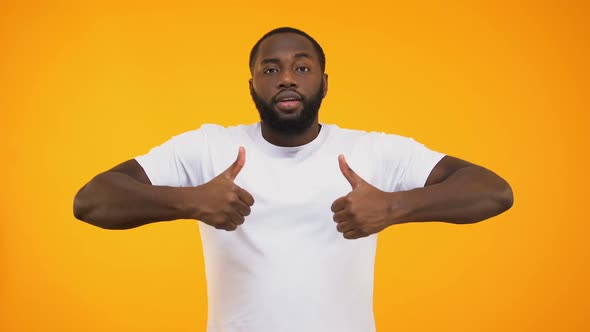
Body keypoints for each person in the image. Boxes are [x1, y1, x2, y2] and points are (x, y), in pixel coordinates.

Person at [73, 27, 513, 332]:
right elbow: (92, 201)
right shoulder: (206, 147)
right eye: (270, 69)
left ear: (324, 81)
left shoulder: (372, 151)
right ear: (252, 85)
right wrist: (188, 201)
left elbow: (493, 191)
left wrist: (395, 208)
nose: (286, 78)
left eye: (302, 68)